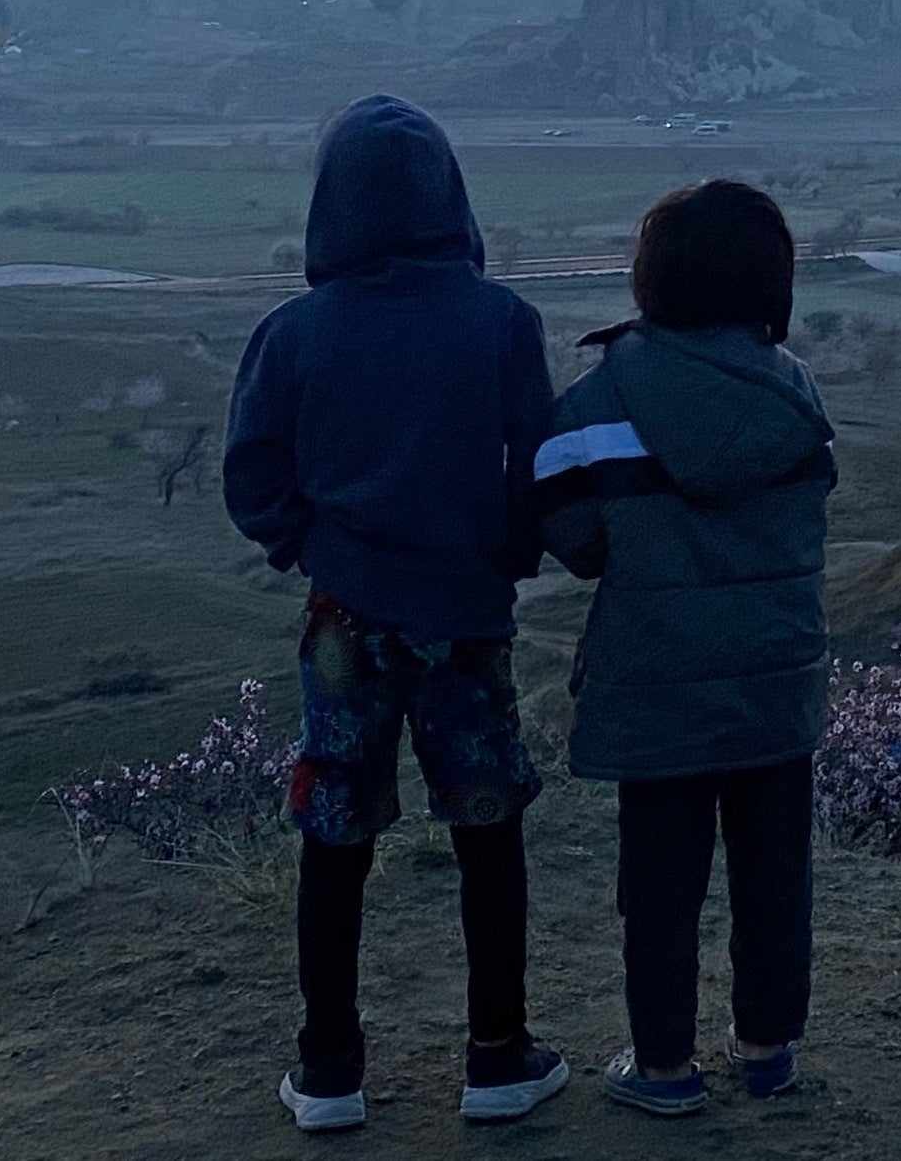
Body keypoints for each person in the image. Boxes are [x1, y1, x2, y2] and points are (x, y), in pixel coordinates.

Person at [223, 96, 565, 1133]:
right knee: (487, 828)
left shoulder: (294, 334)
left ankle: (329, 1069)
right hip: (468, 616)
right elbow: (536, 470)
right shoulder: (502, 322)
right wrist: (505, 556)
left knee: (335, 840)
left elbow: (251, 481)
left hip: (346, 622)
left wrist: (314, 548)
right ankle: (498, 1054)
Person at [528, 179, 834, 1117]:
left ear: (649, 279)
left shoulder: (599, 400)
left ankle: (663, 1067)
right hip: (776, 686)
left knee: (658, 887)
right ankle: (769, 1047)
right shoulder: (796, 395)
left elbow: (572, 540)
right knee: (775, 873)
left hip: (656, 685)